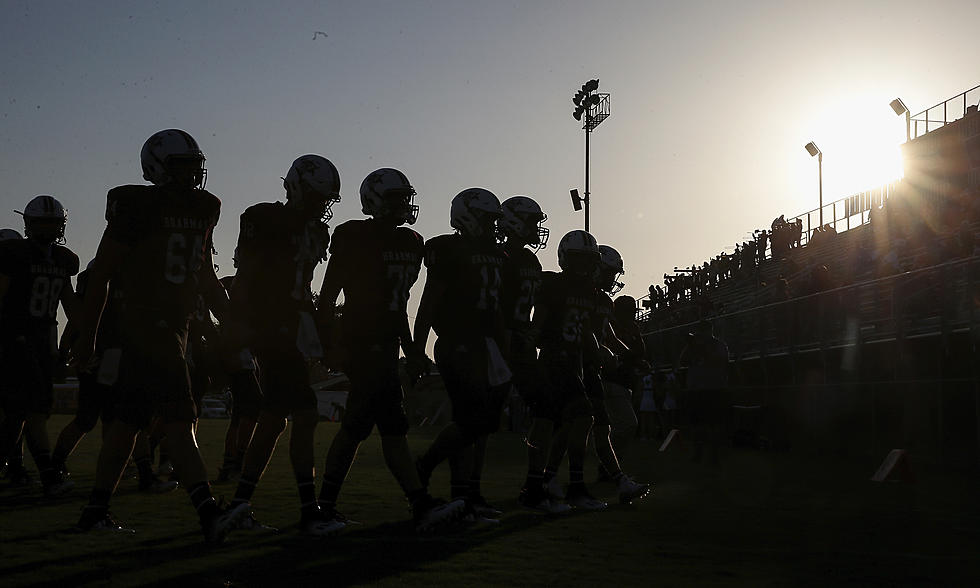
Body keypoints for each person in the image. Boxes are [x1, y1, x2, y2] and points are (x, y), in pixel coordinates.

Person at [73, 129, 247, 540]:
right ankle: (208, 513)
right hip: (148, 324)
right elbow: (103, 274)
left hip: (175, 324)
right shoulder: (137, 206)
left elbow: (203, 270)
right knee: (180, 419)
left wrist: (228, 314)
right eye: (181, 166)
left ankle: (95, 510)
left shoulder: (206, 207)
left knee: (128, 423)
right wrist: (87, 335)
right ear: (156, 168)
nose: (190, 174)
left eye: (193, 165)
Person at [315, 167, 464, 532]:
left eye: (404, 198)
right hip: (361, 342)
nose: (403, 205)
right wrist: (331, 342)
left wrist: (412, 349)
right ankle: (413, 503)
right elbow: (329, 293)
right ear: (374, 201)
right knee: (363, 426)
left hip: (386, 344)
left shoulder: (413, 242)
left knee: (384, 428)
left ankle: (414, 503)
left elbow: (398, 305)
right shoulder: (353, 235)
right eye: (395, 198)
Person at [225, 154, 343, 536]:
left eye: (325, 198)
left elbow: (303, 287)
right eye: (315, 195)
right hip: (268, 325)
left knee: (274, 419)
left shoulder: (317, 232)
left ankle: (240, 505)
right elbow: (246, 275)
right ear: (295, 187)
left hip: (290, 326)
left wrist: (313, 335)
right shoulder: (264, 217)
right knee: (305, 414)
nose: (320, 204)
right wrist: (240, 325)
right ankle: (309, 511)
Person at [414, 188, 511, 520]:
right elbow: (428, 303)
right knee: (474, 421)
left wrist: (504, 347)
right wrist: (415, 349)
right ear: (467, 215)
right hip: (458, 341)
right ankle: (424, 467)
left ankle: (468, 494)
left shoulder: (499, 256)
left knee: (480, 425)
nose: (493, 226)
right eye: (488, 218)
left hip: (488, 346)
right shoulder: (448, 248)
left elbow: (496, 309)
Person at [542, 245, 649, 505]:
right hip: (575, 364)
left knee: (595, 427)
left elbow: (606, 335)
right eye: (610, 272)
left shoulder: (602, 300)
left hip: (590, 368)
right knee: (578, 425)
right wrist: (602, 352)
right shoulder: (582, 294)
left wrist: (630, 356)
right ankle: (561, 480)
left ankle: (613, 479)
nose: (613, 279)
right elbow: (586, 335)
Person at [0, 196, 79, 497]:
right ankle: (47, 477)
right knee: (21, 412)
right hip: (16, 340)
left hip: (41, 342)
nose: (49, 228)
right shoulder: (14, 254)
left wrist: (80, 337)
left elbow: (70, 304)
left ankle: (46, 476)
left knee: (30, 414)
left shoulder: (62, 260)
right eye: (44, 222)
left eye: (53, 222)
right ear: (30, 225)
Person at [522, 230, 605, 510]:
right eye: (578, 259)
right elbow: (540, 318)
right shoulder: (554, 284)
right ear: (565, 259)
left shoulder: (591, 293)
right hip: (553, 357)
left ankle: (545, 480)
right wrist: (530, 344)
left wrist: (599, 353)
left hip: (574, 361)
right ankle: (572, 486)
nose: (583, 265)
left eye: (588, 260)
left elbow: (587, 331)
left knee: (564, 422)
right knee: (580, 416)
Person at [497, 196, 567, 514]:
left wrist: (532, 332)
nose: (537, 228)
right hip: (498, 342)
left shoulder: (530, 261)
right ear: (513, 221)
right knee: (479, 419)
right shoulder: (500, 257)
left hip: (521, 345)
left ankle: (535, 484)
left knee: (548, 410)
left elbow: (537, 305)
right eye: (531, 221)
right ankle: (460, 488)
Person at [678, 319, 729, 464]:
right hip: (696, 389)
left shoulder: (719, 345)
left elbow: (721, 362)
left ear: (709, 331)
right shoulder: (693, 346)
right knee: (696, 424)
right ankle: (698, 453)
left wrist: (702, 348)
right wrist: (691, 345)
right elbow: (682, 361)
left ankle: (714, 455)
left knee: (714, 424)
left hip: (714, 389)